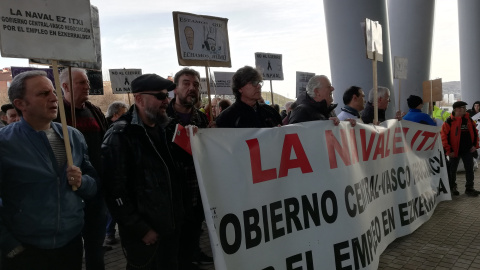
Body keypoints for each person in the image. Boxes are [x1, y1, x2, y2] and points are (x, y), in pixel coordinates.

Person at [0, 70, 97, 270]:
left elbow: (93, 184)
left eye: (54, 91)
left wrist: (82, 182)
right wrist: (10, 245)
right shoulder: (4, 143)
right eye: (44, 94)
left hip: (70, 245)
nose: (55, 98)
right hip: (26, 251)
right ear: (20, 104)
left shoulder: (73, 136)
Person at [102, 74, 183, 269]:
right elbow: (114, 190)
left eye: (167, 95)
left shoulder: (165, 127)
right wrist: (141, 229)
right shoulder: (120, 134)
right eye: (160, 96)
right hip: (145, 236)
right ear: (139, 99)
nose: (166, 100)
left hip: (169, 228)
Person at [56, 68, 108, 270]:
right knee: (72, 249)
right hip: (69, 191)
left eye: (87, 82)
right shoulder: (56, 113)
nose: (87, 86)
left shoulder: (94, 111)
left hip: (96, 188)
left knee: (96, 246)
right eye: (81, 82)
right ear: (66, 86)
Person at [164, 68, 212, 268]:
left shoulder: (202, 119)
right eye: (186, 83)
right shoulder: (163, 117)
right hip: (172, 197)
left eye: (196, 84)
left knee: (191, 239)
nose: (192, 88)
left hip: (196, 195)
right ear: (175, 88)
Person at [216, 66, 282, 128]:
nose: (259, 86)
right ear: (240, 88)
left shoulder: (271, 112)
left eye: (259, 82)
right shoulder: (226, 117)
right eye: (253, 82)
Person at [441, 101, 480, 196]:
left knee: (470, 169)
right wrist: (448, 151)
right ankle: (452, 187)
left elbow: (475, 133)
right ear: (457, 109)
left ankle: (469, 188)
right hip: (454, 151)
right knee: (452, 170)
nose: (465, 109)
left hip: (468, 150)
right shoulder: (449, 121)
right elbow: (443, 137)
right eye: (463, 107)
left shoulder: (468, 120)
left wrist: (475, 146)